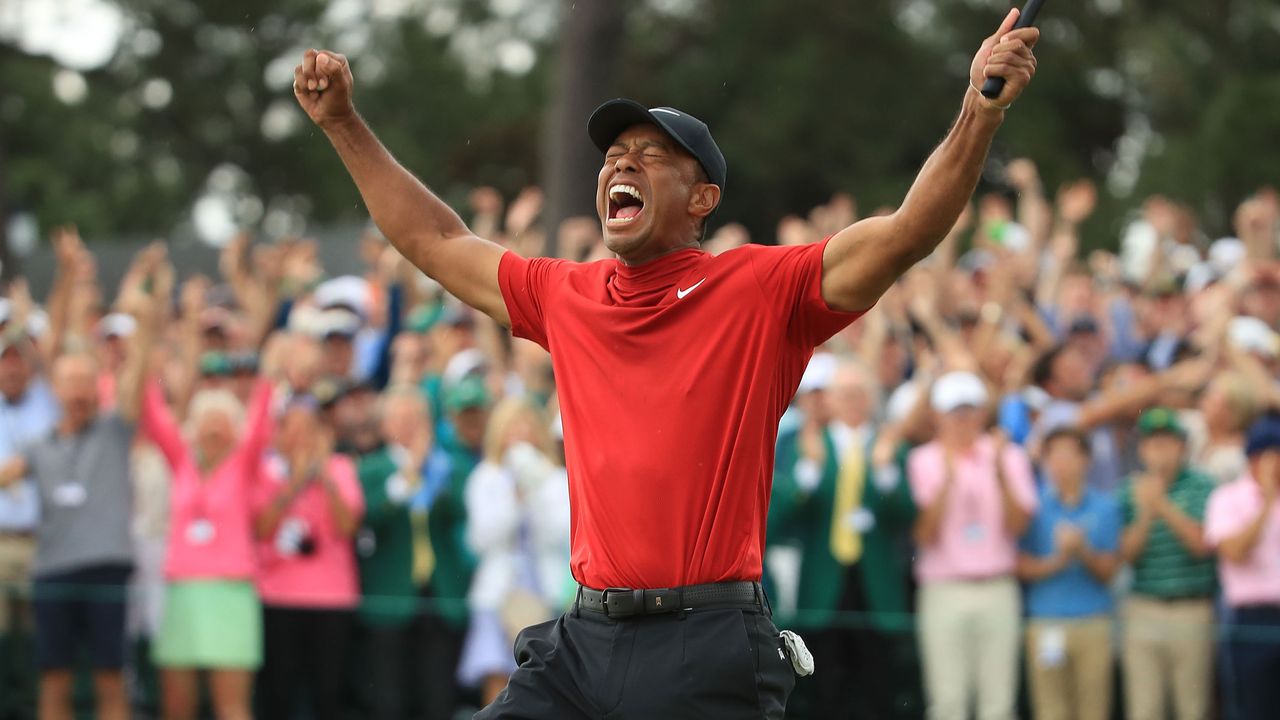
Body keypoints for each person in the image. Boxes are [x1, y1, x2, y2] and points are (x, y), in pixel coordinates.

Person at [291, 8, 1041, 716]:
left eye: (652, 157)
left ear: (701, 197)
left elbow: (909, 231)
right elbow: (438, 243)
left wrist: (980, 108)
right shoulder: (567, 293)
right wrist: (344, 124)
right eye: (615, 156)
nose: (623, 163)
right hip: (581, 643)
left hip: (707, 643)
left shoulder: (761, 289)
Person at [0, 248, 167, 720]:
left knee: (110, 679)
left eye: (85, 381)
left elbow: (137, 374)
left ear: (97, 386)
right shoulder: (38, 443)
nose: (77, 390)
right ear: (54, 388)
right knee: (52, 680)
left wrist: (149, 314)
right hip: (52, 570)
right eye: (69, 381)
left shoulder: (117, 429)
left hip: (107, 570)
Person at [140, 372, 275, 720]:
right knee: (176, 706)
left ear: (236, 430)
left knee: (231, 706)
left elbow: (260, 423)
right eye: (207, 423)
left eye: (223, 423)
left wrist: (268, 377)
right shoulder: (181, 460)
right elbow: (153, 417)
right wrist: (146, 367)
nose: (214, 431)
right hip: (183, 591)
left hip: (231, 592)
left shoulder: (244, 464)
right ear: (193, 429)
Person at [909, 371, 1037, 720]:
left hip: (997, 587)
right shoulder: (923, 459)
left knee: (998, 702)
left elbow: (1019, 525)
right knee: (947, 700)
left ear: (982, 413)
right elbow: (924, 535)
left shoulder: (1008, 456)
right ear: (938, 415)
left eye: (969, 411)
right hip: (943, 588)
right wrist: (947, 483)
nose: (963, 420)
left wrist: (999, 473)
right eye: (955, 412)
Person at [251, 398, 364, 720]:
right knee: (278, 693)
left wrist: (323, 476)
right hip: (277, 596)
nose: (299, 438)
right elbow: (260, 528)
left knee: (328, 693)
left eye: (307, 429)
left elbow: (348, 526)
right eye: (292, 429)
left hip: (331, 599)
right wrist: (295, 484)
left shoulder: (340, 468)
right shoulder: (265, 471)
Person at [459, 398, 570, 706]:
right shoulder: (486, 477)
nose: (520, 437)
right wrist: (514, 501)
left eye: (527, 429)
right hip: (498, 594)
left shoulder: (556, 479)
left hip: (543, 592)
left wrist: (534, 494)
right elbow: (481, 539)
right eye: (513, 430)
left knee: (543, 676)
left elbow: (560, 535)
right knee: (496, 672)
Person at [353, 385, 452, 720]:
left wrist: (433, 473)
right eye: (403, 419)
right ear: (385, 426)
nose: (411, 426)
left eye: (418, 418)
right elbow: (369, 519)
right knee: (389, 698)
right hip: (390, 596)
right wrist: (410, 471)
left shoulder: (445, 467)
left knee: (437, 697)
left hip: (439, 594)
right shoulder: (372, 469)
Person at [1117, 408, 1216, 720]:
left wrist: (1162, 504)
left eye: (1167, 442)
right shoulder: (1129, 491)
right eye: (1152, 443)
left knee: (1192, 707)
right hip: (1144, 606)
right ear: (1142, 449)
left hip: (1192, 607)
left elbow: (1201, 545)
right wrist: (1146, 510)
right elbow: (1128, 555)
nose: (1159, 450)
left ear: (1181, 447)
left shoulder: (1203, 486)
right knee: (1145, 708)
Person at [1017, 427, 1121, 720]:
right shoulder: (1033, 506)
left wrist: (1082, 550)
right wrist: (1058, 560)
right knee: (1050, 711)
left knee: (1093, 710)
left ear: (1086, 459)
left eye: (1068, 453)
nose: (1060, 462)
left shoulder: (1106, 506)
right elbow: (1020, 565)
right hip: (1046, 622)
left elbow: (1109, 571)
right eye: (1053, 455)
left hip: (1092, 622)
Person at [1203, 414, 1280, 720]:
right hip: (1252, 618)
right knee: (1252, 709)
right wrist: (1267, 502)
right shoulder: (1227, 497)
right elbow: (1234, 551)